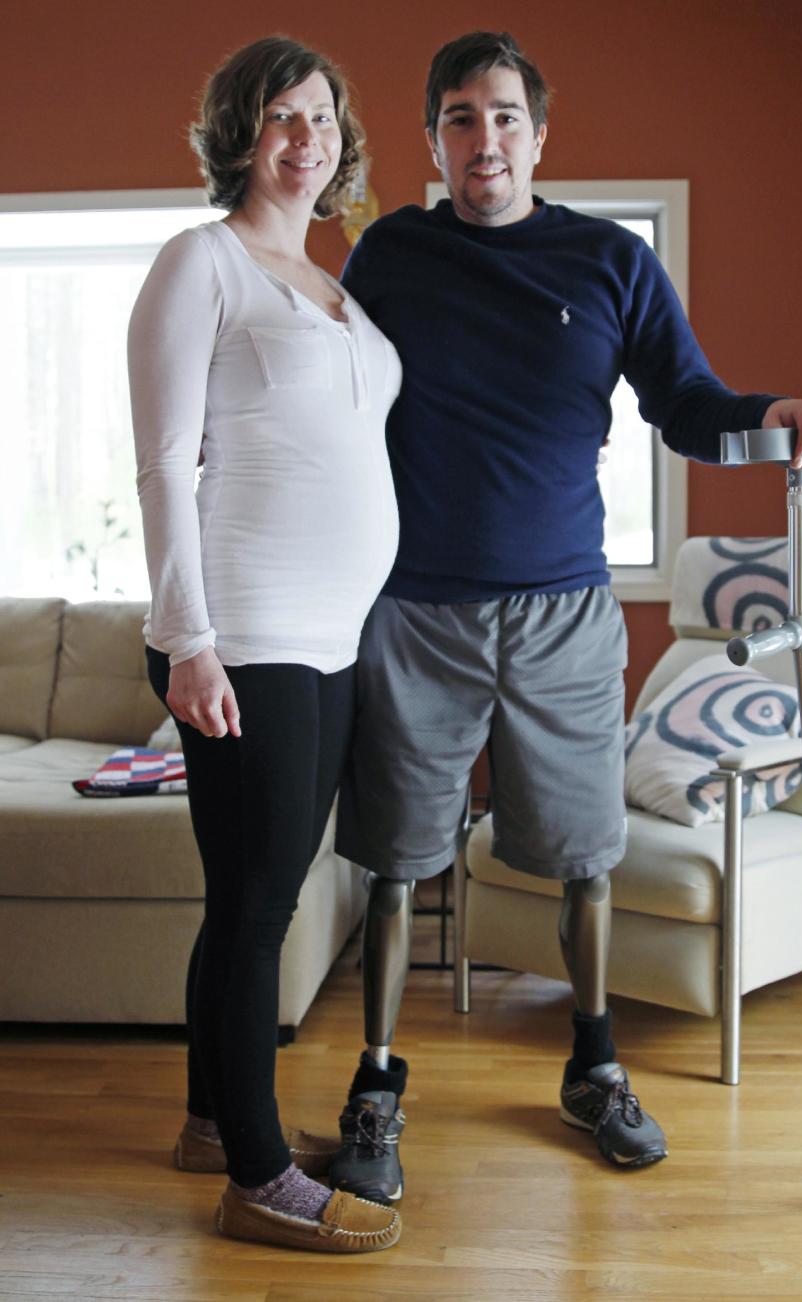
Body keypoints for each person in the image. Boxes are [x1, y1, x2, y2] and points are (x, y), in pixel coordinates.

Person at [326, 30, 802, 1204]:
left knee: (585, 859)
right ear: (434, 142)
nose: (484, 138)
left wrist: (777, 414)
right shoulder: (391, 256)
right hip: (416, 615)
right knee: (400, 864)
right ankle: (376, 1082)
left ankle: (593, 1066)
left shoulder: (609, 262)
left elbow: (687, 405)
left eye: (504, 116)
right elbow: (331, 404)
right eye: (461, 117)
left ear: (540, 136)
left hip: (564, 616)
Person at [128, 35, 402, 1253]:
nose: (311, 137)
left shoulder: (336, 281)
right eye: (286, 116)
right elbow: (160, 466)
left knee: (253, 897)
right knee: (255, 909)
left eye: (326, 116)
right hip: (246, 635)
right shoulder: (204, 264)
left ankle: (208, 1119)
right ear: (240, 131)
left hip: (330, 641)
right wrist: (190, 642)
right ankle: (255, 1175)